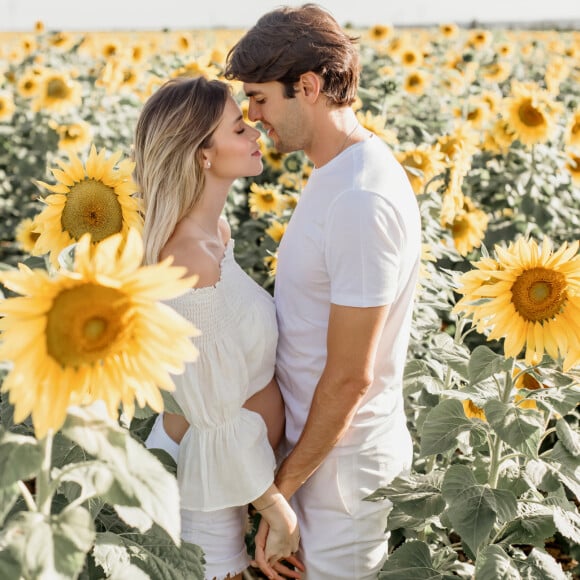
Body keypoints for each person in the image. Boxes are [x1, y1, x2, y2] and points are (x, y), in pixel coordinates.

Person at [224, 4, 422, 579]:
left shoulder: (361, 199)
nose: (252, 115)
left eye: (260, 98)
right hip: (318, 458)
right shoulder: (337, 172)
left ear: (307, 87)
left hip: (340, 473)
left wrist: (279, 493)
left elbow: (350, 376)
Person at [132, 75, 303, 580]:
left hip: (229, 476)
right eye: (237, 128)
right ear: (201, 154)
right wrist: (275, 508)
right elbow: (211, 414)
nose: (254, 132)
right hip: (199, 483)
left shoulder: (215, 236)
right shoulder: (186, 257)